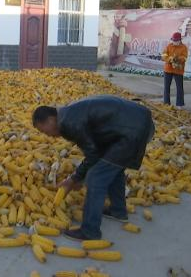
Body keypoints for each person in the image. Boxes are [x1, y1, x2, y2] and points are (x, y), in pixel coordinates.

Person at [32, 95, 155, 241]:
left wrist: (74, 179)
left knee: (96, 178)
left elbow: (92, 155)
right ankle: (118, 211)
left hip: (133, 131)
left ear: (50, 119)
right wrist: (77, 177)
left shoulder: (67, 123)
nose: (49, 136)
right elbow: (96, 148)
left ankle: (90, 231)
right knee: (112, 167)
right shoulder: (68, 113)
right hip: (137, 124)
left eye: (45, 131)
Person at [162, 32, 188, 108]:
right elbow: (163, 55)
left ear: (180, 40)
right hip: (168, 70)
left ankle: (179, 104)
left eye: (176, 41)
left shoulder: (184, 48)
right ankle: (166, 103)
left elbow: (185, 57)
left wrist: (178, 59)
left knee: (179, 87)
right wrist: (169, 59)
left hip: (178, 70)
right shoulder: (169, 46)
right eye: (174, 40)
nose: (175, 42)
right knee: (166, 87)